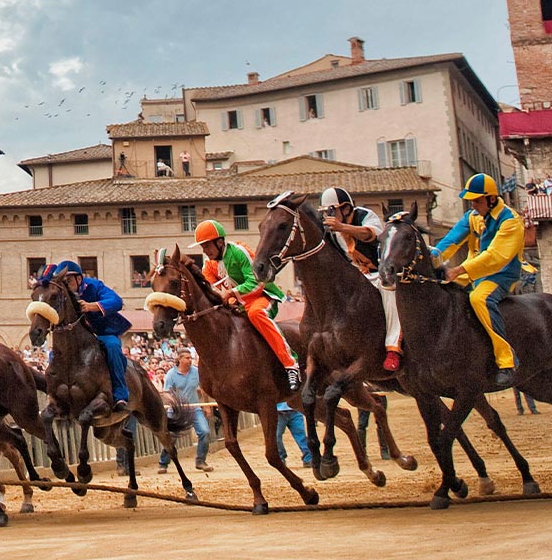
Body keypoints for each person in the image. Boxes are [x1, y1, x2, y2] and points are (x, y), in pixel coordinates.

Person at [432, 173, 527, 387]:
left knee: (479, 299)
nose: (473, 205)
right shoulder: (473, 217)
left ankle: (506, 361)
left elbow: (495, 257)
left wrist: (457, 270)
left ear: (491, 199)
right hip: (473, 271)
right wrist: (432, 256)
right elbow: (451, 240)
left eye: (477, 200)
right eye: (471, 201)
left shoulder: (511, 221)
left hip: (501, 274)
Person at [195, 219, 301, 391]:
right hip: (238, 304)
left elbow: (257, 281)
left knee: (256, 313)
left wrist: (230, 293)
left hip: (262, 297)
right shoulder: (208, 265)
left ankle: (291, 365)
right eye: (202, 247)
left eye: (207, 246)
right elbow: (212, 290)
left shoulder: (238, 252)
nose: (205, 251)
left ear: (219, 242)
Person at [318, 187, 402, 371]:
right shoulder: (330, 231)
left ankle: (393, 349)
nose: (327, 216)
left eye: (330, 211)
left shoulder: (365, 215)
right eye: (324, 212)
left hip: (382, 272)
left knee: (389, 290)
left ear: (346, 209)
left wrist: (342, 227)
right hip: (359, 275)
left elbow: (371, 235)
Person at [49, 260, 132, 413]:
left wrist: (91, 306)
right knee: (53, 353)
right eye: (62, 281)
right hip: (78, 339)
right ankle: (56, 397)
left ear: (79, 279)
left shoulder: (94, 286)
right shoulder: (61, 294)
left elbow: (117, 302)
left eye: (68, 280)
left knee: (113, 346)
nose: (65, 284)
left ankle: (120, 394)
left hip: (103, 332)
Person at [157, 350, 213, 473]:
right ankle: (163, 463)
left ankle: (200, 461)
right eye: (187, 358)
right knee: (171, 437)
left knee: (205, 432)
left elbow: (203, 388)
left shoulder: (196, 371)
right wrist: (175, 404)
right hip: (177, 410)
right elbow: (167, 393)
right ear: (180, 359)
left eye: (190, 357)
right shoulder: (171, 374)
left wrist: (206, 406)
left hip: (194, 408)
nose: (190, 360)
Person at [275, 401, 314, 468]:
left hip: (295, 411)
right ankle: (280, 458)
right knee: (276, 436)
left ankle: (308, 458)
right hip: (278, 412)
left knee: (301, 436)